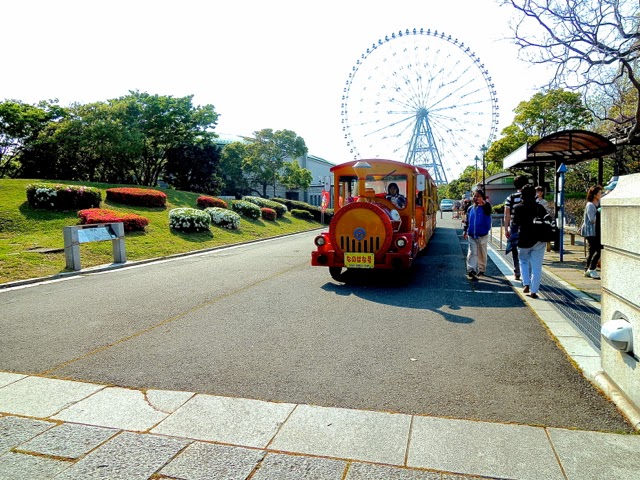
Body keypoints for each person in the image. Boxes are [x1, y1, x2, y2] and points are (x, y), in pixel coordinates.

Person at [512, 184, 550, 299]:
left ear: (522, 195)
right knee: (536, 266)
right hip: (538, 239)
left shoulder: (518, 207)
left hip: (523, 239)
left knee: (523, 261)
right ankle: (534, 291)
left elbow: (515, 224)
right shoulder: (539, 207)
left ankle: (526, 283)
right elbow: (548, 220)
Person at [504, 175, 530, 281]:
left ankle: (517, 271)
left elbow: (507, 214)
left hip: (515, 226)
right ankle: (527, 274)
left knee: (515, 250)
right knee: (528, 251)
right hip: (529, 226)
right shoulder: (533, 197)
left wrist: (506, 228)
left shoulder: (511, 197)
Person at [463, 189, 492, 279]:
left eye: (478, 196)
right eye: (475, 196)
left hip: (482, 235)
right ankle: (471, 269)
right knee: (472, 252)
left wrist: (484, 204)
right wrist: (465, 230)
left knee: (482, 253)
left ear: (482, 197)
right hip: (472, 234)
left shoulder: (486, 207)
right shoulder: (470, 208)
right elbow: (467, 220)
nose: (476, 198)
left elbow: (488, 211)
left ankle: (482, 269)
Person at [582, 185, 603, 279]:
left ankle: (587, 269)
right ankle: (592, 269)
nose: (600, 194)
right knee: (599, 250)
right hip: (591, 232)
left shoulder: (598, 203)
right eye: (599, 193)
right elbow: (592, 219)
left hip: (596, 231)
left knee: (592, 250)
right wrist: (599, 212)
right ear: (594, 195)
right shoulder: (590, 205)